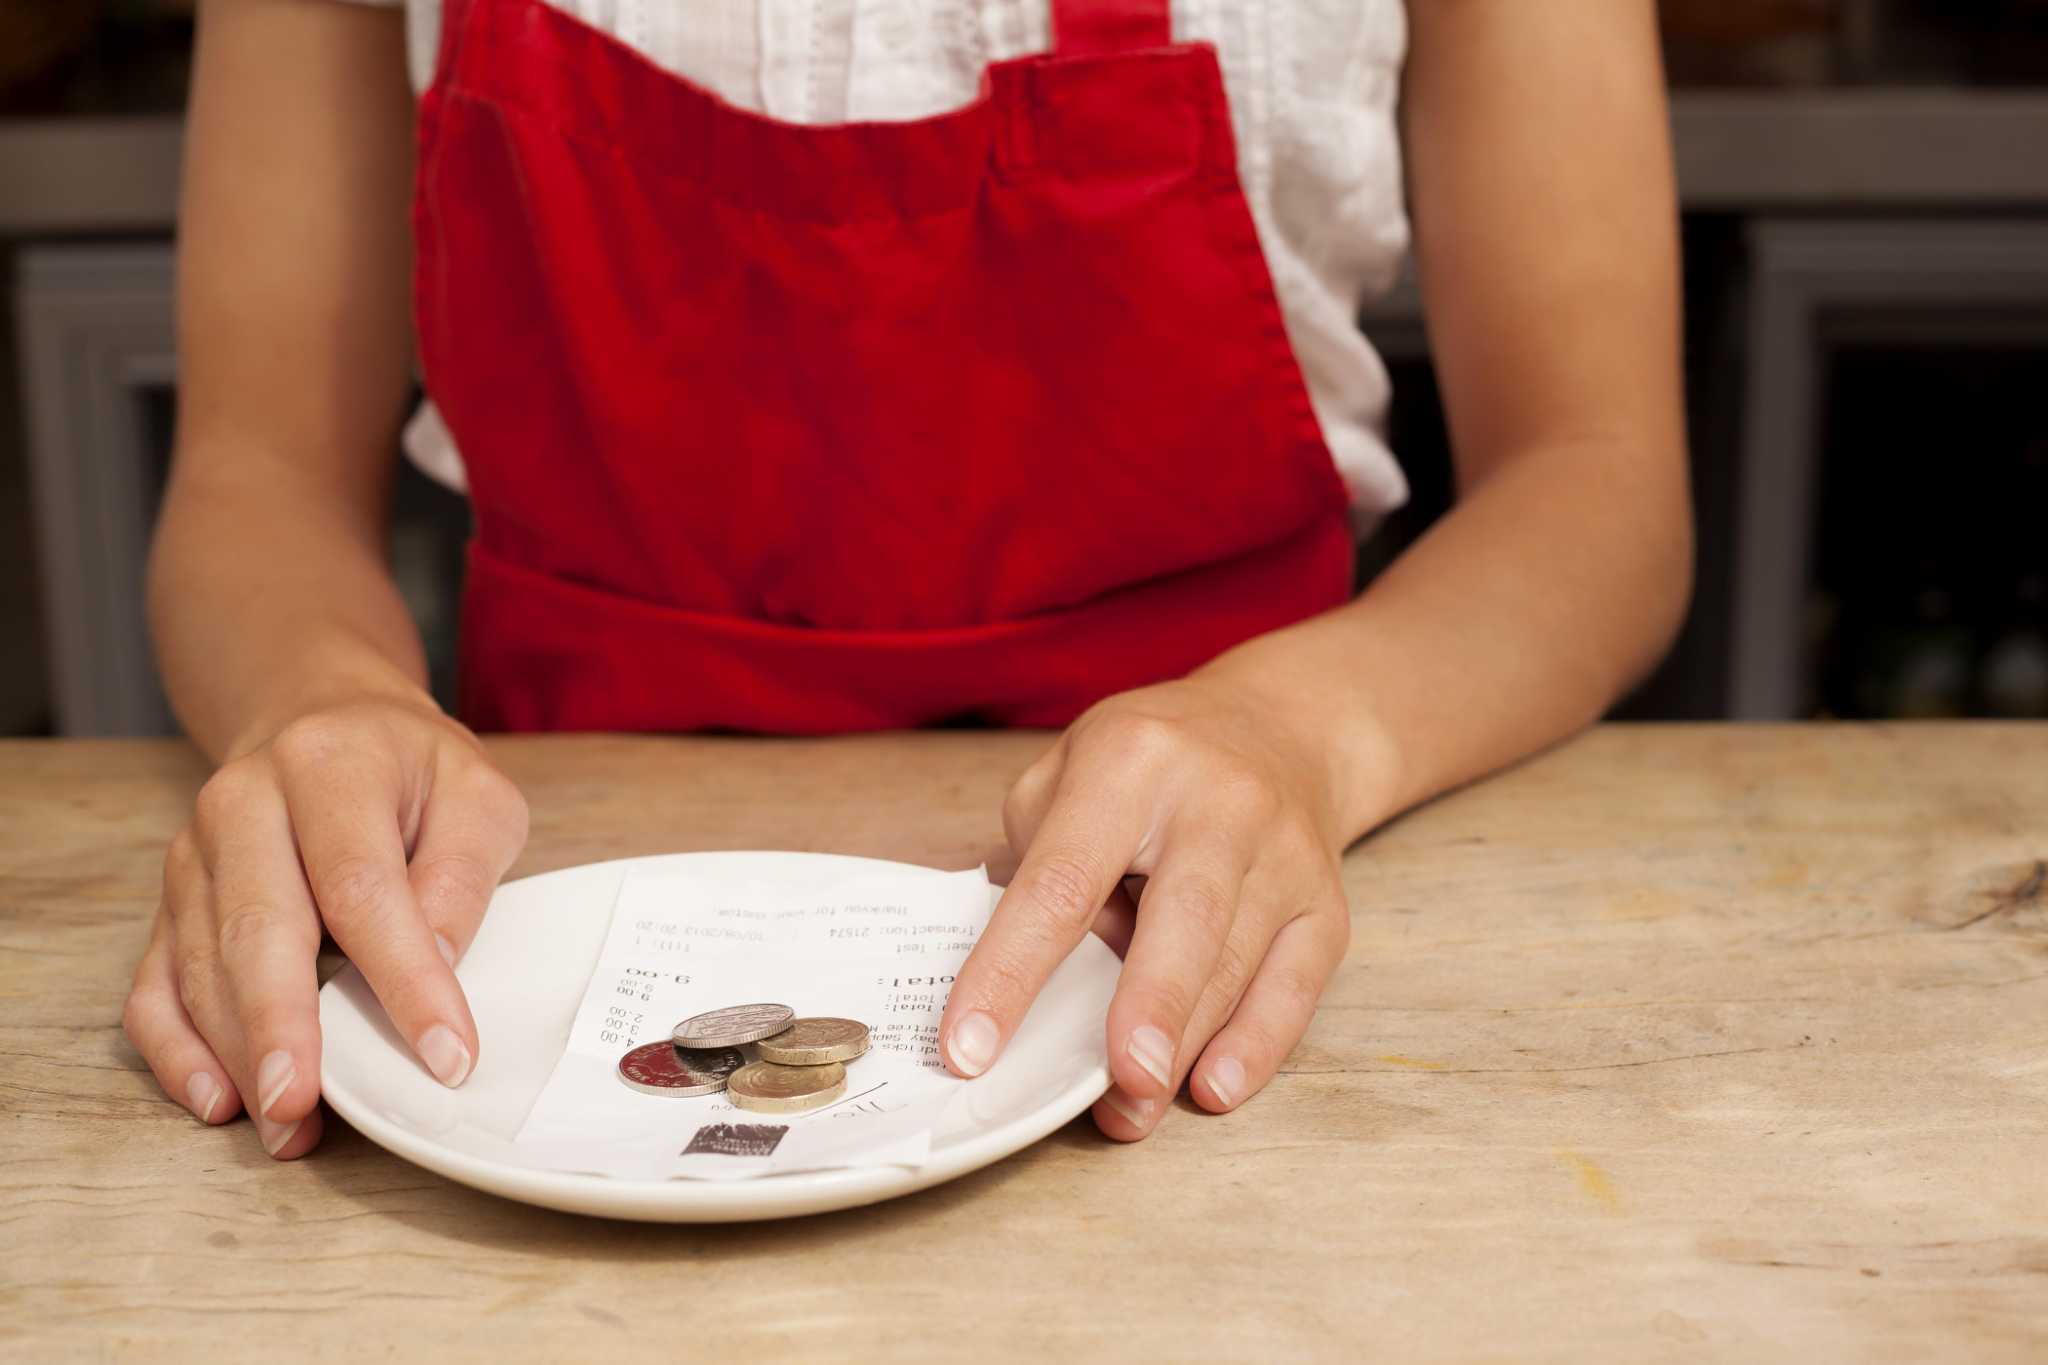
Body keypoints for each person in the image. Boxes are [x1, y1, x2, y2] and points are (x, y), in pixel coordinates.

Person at [124, 0, 1692, 1159]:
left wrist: (1299, 735)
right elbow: (257, 472)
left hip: (1231, 929)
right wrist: (313, 694)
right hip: (525, 956)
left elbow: (1598, 483)